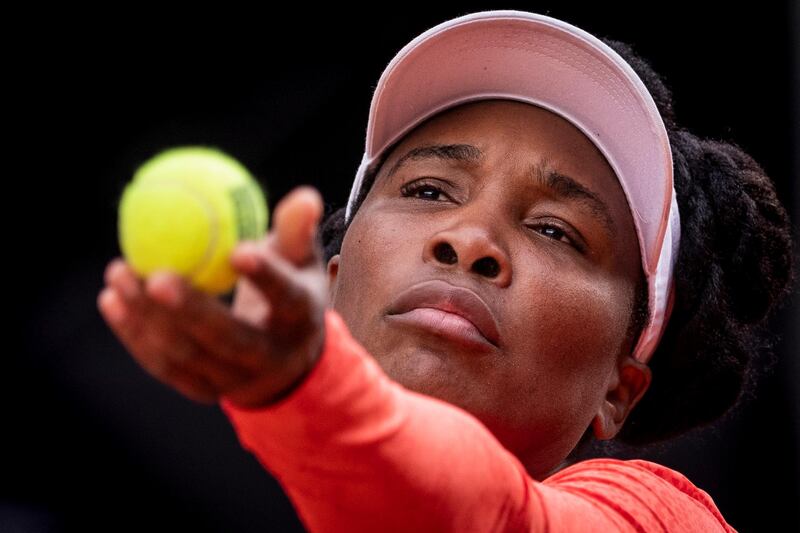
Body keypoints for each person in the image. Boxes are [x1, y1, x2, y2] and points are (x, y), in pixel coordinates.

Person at [97, 10, 795, 532]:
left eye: (557, 230)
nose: (471, 240)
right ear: (332, 282)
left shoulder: (661, 519)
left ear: (620, 387)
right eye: (429, 190)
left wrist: (304, 386)